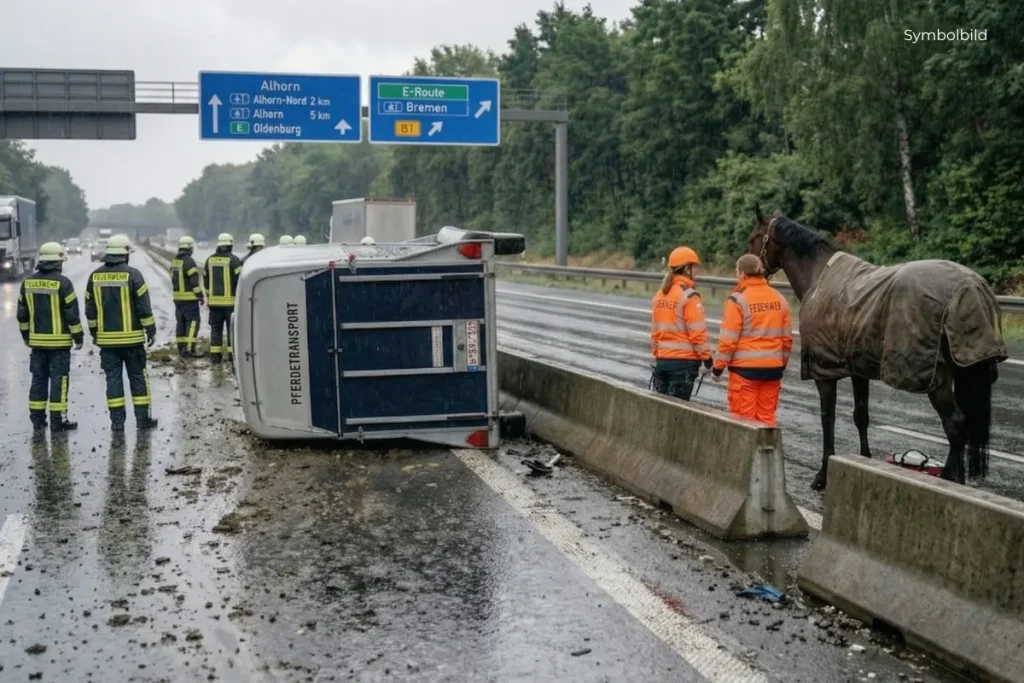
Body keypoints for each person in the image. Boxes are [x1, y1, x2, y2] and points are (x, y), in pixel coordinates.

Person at [84, 234, 159, 431]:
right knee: (138, 378)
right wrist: (150, 329)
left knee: (113, 380)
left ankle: (117, 423)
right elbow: (144, 307)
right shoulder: (134, 275)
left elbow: (90, 309)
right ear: (125, 254)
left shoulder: (95, 276)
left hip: (107, 343)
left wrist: (94, 332)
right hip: (133, 341)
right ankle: (143, 420)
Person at [711, 253, 793, 427]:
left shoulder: (737, 300)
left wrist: (717, 368)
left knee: (743, 423)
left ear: (742, 274)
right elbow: (787, 340)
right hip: (773, 370)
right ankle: (767, 453)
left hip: (744, 372)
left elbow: (728, 341)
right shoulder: (780, 299)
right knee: (767, 421)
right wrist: (780, 363)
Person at [17, 242, 85, 433]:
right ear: (58, 262)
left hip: (37, 345)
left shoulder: (27, 283)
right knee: (59, 380)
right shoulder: (63, 283)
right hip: (60, 345)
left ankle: (37, 421)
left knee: (38, 380)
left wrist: (25, 336)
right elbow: (72, 315)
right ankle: (58, 421)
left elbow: (22, 315)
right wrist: (78, 337)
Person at [649, 246, 712, 401]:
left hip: (662, 362)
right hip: (683, 364)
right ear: (686, 268)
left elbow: (655, 332)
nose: (697, 271)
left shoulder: (661, 294)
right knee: (677, 414)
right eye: (695, 266)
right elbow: (697, 334)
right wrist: (708, 359)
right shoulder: (689, 296)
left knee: (661, 410)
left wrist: (658, 356)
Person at [204, 232, 242, 364]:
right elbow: (240, 282)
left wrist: (209, 295)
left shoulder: (209, 260)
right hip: (231, 304)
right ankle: (232, 356)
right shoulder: (235, 261)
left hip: (214, 304)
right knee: (232, 330)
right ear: (230, 245)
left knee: (215, 329)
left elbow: (206, 280)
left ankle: (215, 357)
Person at [170, 236, 205, 357]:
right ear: (190, 248)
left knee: (181, 323)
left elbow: (172, 278)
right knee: (193, 322)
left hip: (177, 298)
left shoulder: (175, 261)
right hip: (189, 299)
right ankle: (189, 349)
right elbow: (194, 283)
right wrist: (200, 295)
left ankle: (181, 348)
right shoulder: (189, 261)